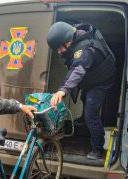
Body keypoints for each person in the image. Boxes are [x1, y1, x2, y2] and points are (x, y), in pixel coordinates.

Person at [47, 21, 116, 160]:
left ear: (67, 40)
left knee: (91, 112)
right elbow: (73, 69)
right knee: (86, 99)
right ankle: (85, 124)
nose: (59, 52)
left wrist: (63, 90)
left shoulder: (84, 49)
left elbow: (78, 70)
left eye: (60, 48)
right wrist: (63, 88)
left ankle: (97, 149)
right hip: (92, 78)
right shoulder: (73, 35)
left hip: (101, 80)